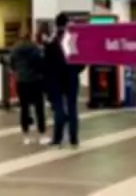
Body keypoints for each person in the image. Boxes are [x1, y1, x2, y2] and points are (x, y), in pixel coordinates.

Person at [44, 13, 83, 148]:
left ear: (56, 25)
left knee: (59, 109)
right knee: (72, 108)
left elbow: (46, 65)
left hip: (56, 79)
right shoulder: (72, 41)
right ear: (67, 24)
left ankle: (57, 138)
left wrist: (48, 83)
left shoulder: (51, 43)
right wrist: (75, 71)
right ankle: (73, 138)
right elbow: (81, 62)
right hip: (71, 78)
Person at [9, 25, 48, 145]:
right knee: (39, 109)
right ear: (29, 35)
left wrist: (19, 72)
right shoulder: (34, 47)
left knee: (24, 109)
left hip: (22, 81)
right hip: (35, 81)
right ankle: (42, 134)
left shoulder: (15, 49)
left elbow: (12, 64)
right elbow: (40, 63)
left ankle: (26, 135)